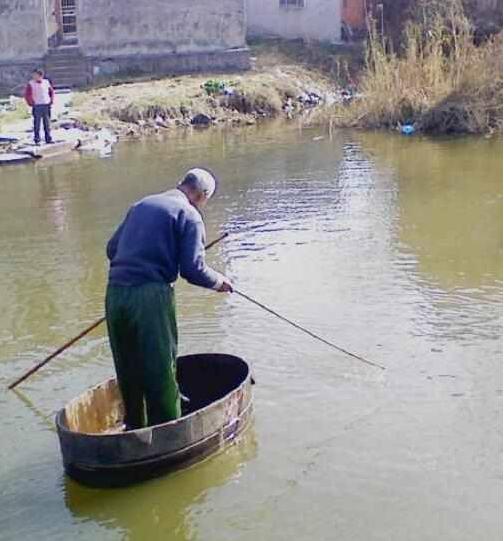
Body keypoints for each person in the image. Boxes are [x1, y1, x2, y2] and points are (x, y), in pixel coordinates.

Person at [105, 168, 233, 430]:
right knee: (160, 367)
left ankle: (134, 429)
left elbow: (112, 249)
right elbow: (192, 270)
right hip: (150, 297)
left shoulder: (141, 205)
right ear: (201, 195)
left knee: (128, 366)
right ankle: (167, 430)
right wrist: (219, 282)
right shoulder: (190, 215)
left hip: (115, 293)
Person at [24, 68, 54, 145]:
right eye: (33, 75)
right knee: (37, 123)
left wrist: (51, 100)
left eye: (35, 75)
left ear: (40, 75)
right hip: (37, 105)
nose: (34, 76)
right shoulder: (31, 83)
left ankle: (48, 138)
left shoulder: (46, 82)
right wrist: (31, 103)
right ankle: (37, 139)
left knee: (47, 123)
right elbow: (27, 95)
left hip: (46, 104)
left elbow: (51, 92)